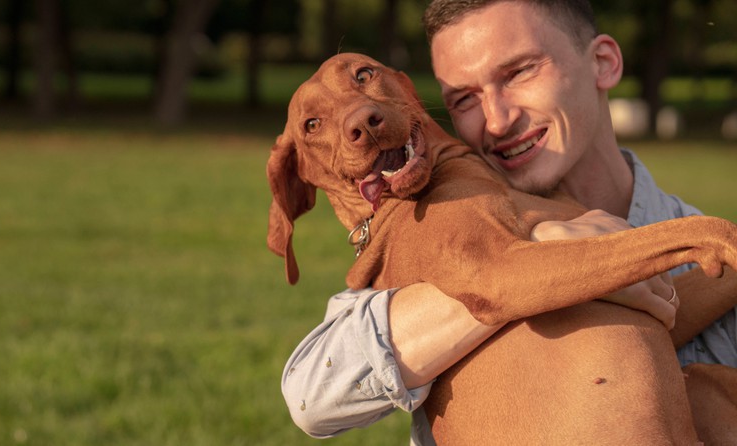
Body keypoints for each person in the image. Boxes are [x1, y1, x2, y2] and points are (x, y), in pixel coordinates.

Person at [281, 0, 737, 444]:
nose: (498, 121)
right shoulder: (423, 223)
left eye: (519, 72)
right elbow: (309, 397)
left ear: (602, 62)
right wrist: (537, 257)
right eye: (463, 98)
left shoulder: (672, 225)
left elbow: (650, 318)